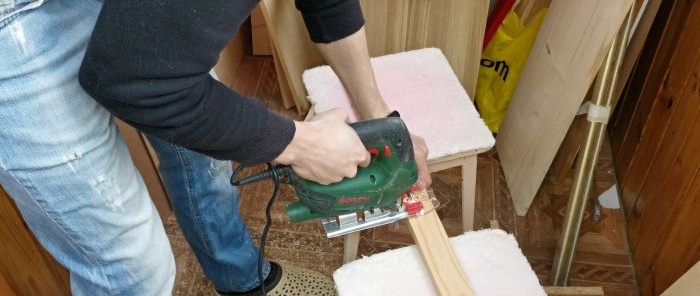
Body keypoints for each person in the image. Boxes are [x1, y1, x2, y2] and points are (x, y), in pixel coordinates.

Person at [0, 0, 431, 295]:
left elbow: (329, 5)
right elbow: (132, 82)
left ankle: (240, 279)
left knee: (202, 150)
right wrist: (300, 144)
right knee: (131, 265)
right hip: (15, 19)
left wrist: (380, 119)